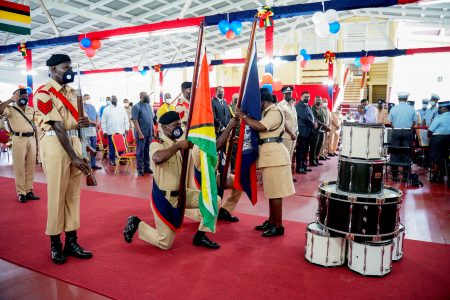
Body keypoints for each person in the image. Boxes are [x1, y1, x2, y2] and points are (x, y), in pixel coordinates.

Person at [123, 111, 220, 250]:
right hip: (165, 198)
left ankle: (201, 235)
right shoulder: (157, 143)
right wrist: (177, 147)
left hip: (182, 194)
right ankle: (136, 223)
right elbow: (157, 158)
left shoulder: (179, 144)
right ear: (164, 127)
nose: (178, 128)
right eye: (175, 125)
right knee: (165, 243)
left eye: (180, 124)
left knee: (213, 199)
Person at [34, 54, 93, 264]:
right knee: (57, 195)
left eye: (69, 67)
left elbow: (73, 123)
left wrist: (82, 123)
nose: (68, 71)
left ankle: (71, 240)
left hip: (73, 143)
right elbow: (57, 126)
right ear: (52, 69)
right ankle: (55, 244)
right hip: (56, 146)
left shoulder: (72, 92)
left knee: (72, 195)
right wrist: (74, 157)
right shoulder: (43, 93)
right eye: (64, 67)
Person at [235, 88, 295, 237]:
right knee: (272, 192)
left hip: (275, 156)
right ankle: (272, 221)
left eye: (259, 102)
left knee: (276, 194)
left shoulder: (274, 111)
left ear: (264, 101)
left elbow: (259, 126)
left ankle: (279, 225)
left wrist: (243, 116)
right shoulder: (268, 112)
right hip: (270, 156)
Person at [0, 89, 40, 203]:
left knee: (31, 167)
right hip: (18, 139)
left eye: (26, 96)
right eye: (21, 95)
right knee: (19, 167)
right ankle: (21, 193)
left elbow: (35, 126)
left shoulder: (31, 110)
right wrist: (10, 100)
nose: (24, 98)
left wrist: (37, 144)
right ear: (16, 97)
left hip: (31, 139)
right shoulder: (10, 109)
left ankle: (29, 191)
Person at [388, 92, 418, 181]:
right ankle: (405, 176)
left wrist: (396, 128)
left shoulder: (393, 108)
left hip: (396, 131)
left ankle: (394, 176)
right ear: (406, 99)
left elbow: (391, 123)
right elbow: (414, 122)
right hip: (407, 131)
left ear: (398, 99)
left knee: (394, 152)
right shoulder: (411, 109)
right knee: (406, 152)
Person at [101, 95, 129, 166]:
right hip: (111, 131)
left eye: (115, 99)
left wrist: (127, 128)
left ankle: (122, 159)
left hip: (121, 131)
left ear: (117, 99)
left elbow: (126, 119)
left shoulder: (121, 108)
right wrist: (104, 131)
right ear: (110, 100)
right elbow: (103, 121)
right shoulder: (106, 109)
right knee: (112, 147)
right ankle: (112, 160)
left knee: (121, 146)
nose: (114, 100)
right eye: (112, 99)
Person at [131, 91, 154, 176]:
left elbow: (151, 119)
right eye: (145, 96)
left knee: (147, 150)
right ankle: (140, 169)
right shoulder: (136, 107)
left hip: (149, 133)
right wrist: (140, 133)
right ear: (141, 97)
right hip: (141, 134)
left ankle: (147, 167)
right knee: (140, 151)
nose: (147, 97)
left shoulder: (148, 106)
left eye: (147, 95)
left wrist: (153, 130)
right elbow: (135, 121)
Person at [428, 101, 450, 183]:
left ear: (445, 108)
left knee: (436, 158)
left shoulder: (439, 117)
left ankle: (435, 176)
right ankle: (442, 175)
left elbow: (430, 130)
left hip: (438, 138)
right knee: (445, 157)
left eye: (440, 108)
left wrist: (429, 137)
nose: (438, 109)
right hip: (448, 139)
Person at [295, 91, 315, 174]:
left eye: (309, 96)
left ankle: (304, 166)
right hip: (302, 131)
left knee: (306, 150)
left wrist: (315, 122)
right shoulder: (298, 106)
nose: (307, 98)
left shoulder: (308, 106)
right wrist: (313, 124)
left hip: (308, 131)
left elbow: (312, 116)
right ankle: (299, 167)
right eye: (306, 96)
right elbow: (304, 117)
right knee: (301, 150)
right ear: (301, 97)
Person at [277, 86, 298, 162]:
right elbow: (282, 122)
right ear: (283, 94)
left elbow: (295, 120)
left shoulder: (292, 105)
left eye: (290, 93)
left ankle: (288, 173)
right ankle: (284, 173)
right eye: (287, 94)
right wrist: (291, 133)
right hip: (286, 135)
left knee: (290, 156)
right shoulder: (280, 105)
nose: (289, 95)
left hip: (294, 135)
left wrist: (296, 133)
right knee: (285, 157)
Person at [83, 94, 101, 170]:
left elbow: (97, 116)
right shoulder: (82, 107)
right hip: (86, 129)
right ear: (83, 99)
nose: (88, 99)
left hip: (93, 129)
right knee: (86, 147)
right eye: (86, 98)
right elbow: (86, 118)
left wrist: (97, 123)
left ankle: (93, 164)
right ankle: (86, 164)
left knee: (93, 147)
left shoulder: (93, 107)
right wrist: (95, 123)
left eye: (89, 98)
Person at [310, 96, 329, 167]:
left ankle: (316, 159)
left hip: (322, 130)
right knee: (314, 146)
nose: (319, 101)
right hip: (316, 130)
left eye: (320, 100)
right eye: (317, 100)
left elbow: (323, 117)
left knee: (319, 146)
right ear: (314, 100)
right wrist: (323, 124)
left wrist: (324, 125)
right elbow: (314, 118)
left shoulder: (321, 108)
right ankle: (312, 161)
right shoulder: (313, 108)